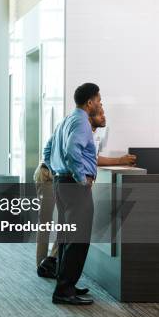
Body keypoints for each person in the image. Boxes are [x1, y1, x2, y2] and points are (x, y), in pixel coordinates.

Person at [35, 106, 137, 279]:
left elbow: (90, 159)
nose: (104, 117)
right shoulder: (77, 127)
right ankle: (42, 265)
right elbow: (58, 152)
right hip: (47, 174)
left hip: (61, 177)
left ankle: (54, 263)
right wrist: (59, 171)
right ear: (91, 116)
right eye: (101, 114)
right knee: (45, 221)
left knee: (64, 225)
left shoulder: (88, 131)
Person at [44, 83, 102, 305]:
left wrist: (55, 170)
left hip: (62, 182)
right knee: (78, 239)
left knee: (67, 237)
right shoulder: (83, 123)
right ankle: (64, 291)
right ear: (89, 102)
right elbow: (71, 151)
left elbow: (47, 150)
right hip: (74, 185)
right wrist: (80, 179)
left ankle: (66, 284)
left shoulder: (66, 121)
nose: (99, 103)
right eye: (98, 99)